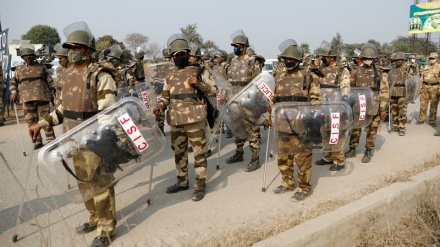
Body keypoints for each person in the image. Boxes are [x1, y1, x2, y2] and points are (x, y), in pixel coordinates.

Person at [28, 22, 118, 247]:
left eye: (77, 48)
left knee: (100, 185)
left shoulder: (100, 75)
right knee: (84, 185)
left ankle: (106, 229)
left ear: (88, 51)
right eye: (70, 48)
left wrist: (103, 143)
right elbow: (61, 110)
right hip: (73, 141)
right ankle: (95, 216)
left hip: (95, 142)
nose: (72, 52)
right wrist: (40, 124)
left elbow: (109, 112)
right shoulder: (67, 75)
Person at [153, 34, 217, 201]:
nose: (180, 57)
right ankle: (182, 182)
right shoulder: (169, 74)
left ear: (188, 54)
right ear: (172, 57)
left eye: (183, 54)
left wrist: (198, 84)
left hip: (195, 120)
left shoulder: (200, 71)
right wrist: (160, 105)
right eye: (176, 55)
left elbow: (214, 90)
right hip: (176, 120)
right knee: (179, 152)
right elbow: (166, 96)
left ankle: (200, 185)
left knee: (199, 153)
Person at [266, 40, 320, 200]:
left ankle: (304, 188)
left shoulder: (309, 75)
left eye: (292, 60)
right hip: (282, 122)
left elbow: (316, 100)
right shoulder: (278, 76)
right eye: (286, 59)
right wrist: (268, 116)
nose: (289, 62)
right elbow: (272, 99)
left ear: (298, 60)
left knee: (302, 158)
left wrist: (314, 122)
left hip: (301, 124)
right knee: (284, 156)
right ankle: (287, 182)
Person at [345, 43, 389, 163]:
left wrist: (382, 109)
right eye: (366, 58)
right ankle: (352, 148)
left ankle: (368, 150)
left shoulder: (380, 73)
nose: (368, 61)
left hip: (374, 106)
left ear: (374, 59)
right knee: (355, 128)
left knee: (372, 129)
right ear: (361, 58)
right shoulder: (356, 71)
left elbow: (384, 92)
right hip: (359, 106)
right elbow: (351, 88)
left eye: (370, 59)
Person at [225, 30, 262, 172]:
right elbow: (229, 82)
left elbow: (258, 82)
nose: (236, 48)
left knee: (251, 130)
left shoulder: (253, 61)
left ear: (245, 47)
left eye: (238, 46)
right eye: (234, 45)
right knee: (237, 129)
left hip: (248, 102)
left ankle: (255, 158)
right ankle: (239, 153)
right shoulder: (232, 62)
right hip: (234, 101)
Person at [10, 44, 55, 149]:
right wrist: (13, 92)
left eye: (31, 55)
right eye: (26, 55)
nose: (29, 57)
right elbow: (13, 83)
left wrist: (52, 94)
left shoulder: (42, 67)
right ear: (22, 57)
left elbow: (50, 82)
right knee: (31, 121)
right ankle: (37, 141)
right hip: (27, 99)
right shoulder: (19, 69)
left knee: (46, 120)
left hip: (42, 97)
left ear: (34, 56)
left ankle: (51, 140)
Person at [314, 40, 351, 171]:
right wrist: (314, 66)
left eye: (323, 56)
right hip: (323, 108)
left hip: (336, 109)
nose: (321, 58)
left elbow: (346, 91)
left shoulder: (342, 70)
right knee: (324, 133)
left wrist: (343, 109)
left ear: (332, 57)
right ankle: (327, 157)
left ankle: (339, 160)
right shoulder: (321, 68)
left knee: (336, 135)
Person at [389, 52, 416, 136]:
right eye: (396, 60)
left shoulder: (407, 68)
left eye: (399, 60)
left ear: (402, 60)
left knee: (402, 112)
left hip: (403, 93)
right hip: (393, 92)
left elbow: (411, 82)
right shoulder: (391, 69)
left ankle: (402, 127)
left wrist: (411, 94)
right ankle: (396, 125)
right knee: (394, 111)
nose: (397, 62)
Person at [416, 52, 440, 127]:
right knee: (423, 104)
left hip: (435, 88)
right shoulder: (425, 67)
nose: (431, 60)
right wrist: (420, 88)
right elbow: (421, 78)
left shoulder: (439, 67)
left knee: (434, 105)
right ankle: (421, 119)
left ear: (436, 59)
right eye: (430, 58)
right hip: (425, 87)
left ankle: (432, 120)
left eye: (433, 58)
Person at [53, 43, 71, 108]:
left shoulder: (75, 71)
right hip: (59, 102)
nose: (59, 61)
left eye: (61, 58)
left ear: (68, 58)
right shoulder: (59, 70)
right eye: (58, 59)